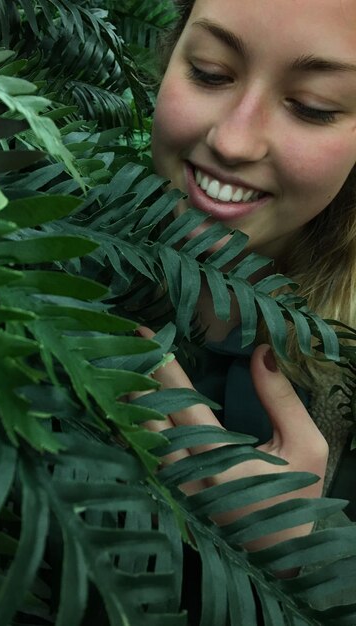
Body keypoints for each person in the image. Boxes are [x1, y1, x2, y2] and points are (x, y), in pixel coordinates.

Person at [136, 0, 356, 557]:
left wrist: (300, 560)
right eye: (211, 72)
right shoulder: (49, 235)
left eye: (312, 107)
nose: (233, 142)